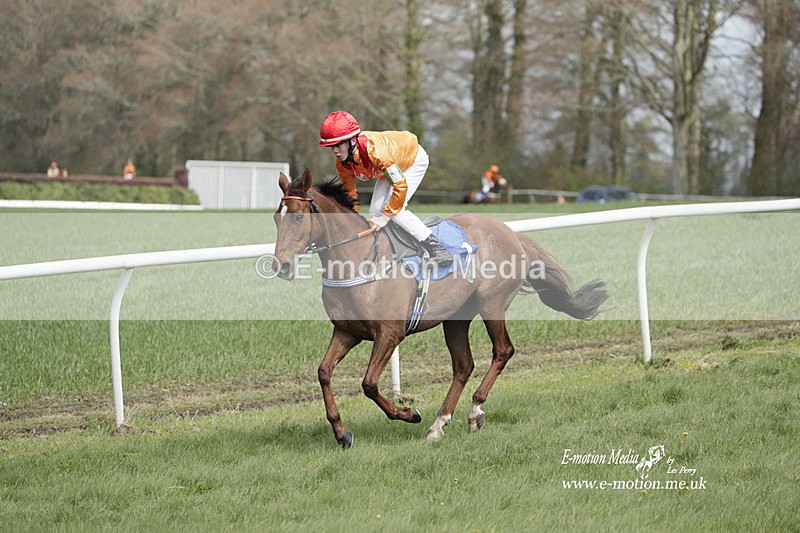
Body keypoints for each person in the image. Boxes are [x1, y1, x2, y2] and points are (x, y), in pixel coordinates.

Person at [318, 111, 452, 266]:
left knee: (395, 212)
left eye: (338, 145)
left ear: (353, 141)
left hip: (412, 159)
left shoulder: (376, 152)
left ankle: (438, 249)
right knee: (375, 212)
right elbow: (350, 195)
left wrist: (386, 217)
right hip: (386, 169)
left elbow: (400, 185)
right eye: (331, 147)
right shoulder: (342, 163)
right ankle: (388, 252)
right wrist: (351, 220)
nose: (335, 151)